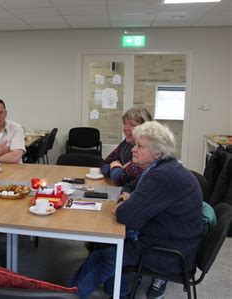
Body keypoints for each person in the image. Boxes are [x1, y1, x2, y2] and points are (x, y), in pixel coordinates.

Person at [69, 121, 203, 299]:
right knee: (102, 246)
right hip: (166, 238)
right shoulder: (158, 168)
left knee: (104, 256)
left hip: (170, 252)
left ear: (158, 151)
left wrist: (124, 204)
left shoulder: (163, 176)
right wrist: (127, 199)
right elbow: (129, 187)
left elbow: (126, 216)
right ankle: (120, 293)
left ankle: (68, 295)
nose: (133, 149)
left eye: (140, 146)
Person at [101, 107, 152, 186]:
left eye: (132, 125)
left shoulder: (148, 150)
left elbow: (119, 178)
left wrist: (114, 165)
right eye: (125, 124)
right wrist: (118, 167)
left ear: (144, 128)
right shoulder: (127, 143)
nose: (126, 128)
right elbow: (105, 165)